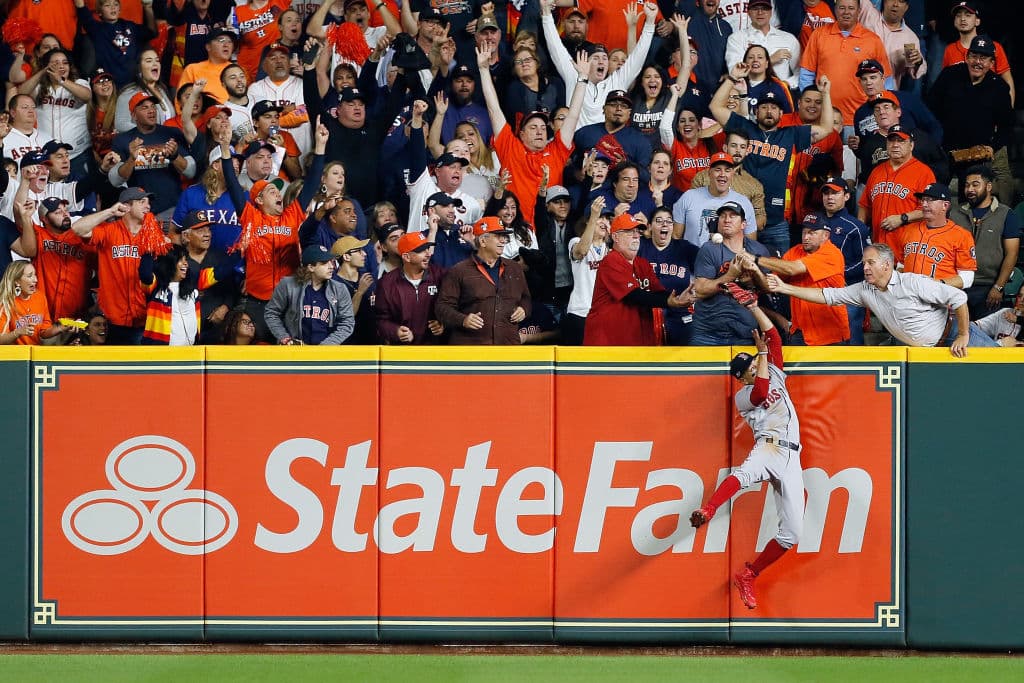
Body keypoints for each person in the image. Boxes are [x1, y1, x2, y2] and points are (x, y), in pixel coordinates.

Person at [689, 295, 804, 611]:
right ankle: (709, 510)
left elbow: (775, 337)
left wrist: (753, 306)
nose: (754, 366)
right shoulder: (743, 397)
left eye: (753, 362)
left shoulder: (773, 368)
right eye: (749, 368)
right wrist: (763, 354)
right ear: (740, 377)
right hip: (768, 446)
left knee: (793, 532)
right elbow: (762, 392)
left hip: (793, 456)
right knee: (742, 475)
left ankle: (748, 574)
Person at [766, 242, 999, 355]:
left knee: (1004, 368)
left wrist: (963, 334)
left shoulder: (912, 282)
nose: (865, 268)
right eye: (864, 263)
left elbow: (958, 297)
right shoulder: (865, 289)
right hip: (926, 352)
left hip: (952, 334)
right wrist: (786, 288)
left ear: (887, 265)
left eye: (870, 263)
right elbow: (828, 295)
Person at [710, 63, 834, 255]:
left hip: (776, 222)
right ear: (756, 111)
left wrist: (825, 95)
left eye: (774, 108)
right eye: (764, 107)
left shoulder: (791, 134)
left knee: (778, 274)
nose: (769, 111)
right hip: (740, 218)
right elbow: (715, 107)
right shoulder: (745, 128)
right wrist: (732, 79)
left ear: (781, 113)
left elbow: (826, 127)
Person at [477, 42, 587, 227]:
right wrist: (483, 70)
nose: (540, 131)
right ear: (521, 133)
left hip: (548, 231)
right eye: (533, 127)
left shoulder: (556, 151)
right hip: (516, 229)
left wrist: (582, 78)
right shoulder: (511, 148)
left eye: (543, 128)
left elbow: (573, 115)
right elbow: (493, 109)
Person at [71, 187, 170, 344]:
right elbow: (77, 229)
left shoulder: (156, 235)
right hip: (111, 320)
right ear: (126, 206)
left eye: (148, 202)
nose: (148, 206)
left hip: (146, 320)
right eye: (142, 202)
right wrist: (110, 212)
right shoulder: (109, 231)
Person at [583, 213, 694, 346]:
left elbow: (658, 292)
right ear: (615, 237)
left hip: (633, 340)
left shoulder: (642, 264)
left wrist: (678, 297)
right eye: (629, 232)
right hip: (607, 341)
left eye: (637, 231)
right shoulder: (610, 261)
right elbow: (633, 295)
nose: (636, 235)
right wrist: (669, 301)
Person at [929, 36, 1014, 205]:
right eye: (974, 56)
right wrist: (936, 142)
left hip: (976, 157)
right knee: (933, 198)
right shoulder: (949, 76)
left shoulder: (999, 88)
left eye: (983, 58)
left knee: (969, 205)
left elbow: (1006, 127)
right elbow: (930, 109)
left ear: (991, 63)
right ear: (967, 57)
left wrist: (992, 146)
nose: (977, 62)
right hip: (945, 151)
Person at [755, 211, 849, 345]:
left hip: (830, 333)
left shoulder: (832, 253)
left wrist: (756, 259)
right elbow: (770, 285)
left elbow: (792, 269)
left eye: (812, 233)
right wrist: (755, 271)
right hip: (800, 332)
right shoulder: (795, 251)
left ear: (826, 236)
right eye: (804, 232)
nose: (806, 237)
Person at [435, 216, 531, 345]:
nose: (503, 241)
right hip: (471, 348)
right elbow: (442, 307)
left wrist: (523, 309)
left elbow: (526, 298)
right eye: (498, 236)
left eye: (504, 237)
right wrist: (463, 320)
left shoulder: (515, 269)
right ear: (483, 241)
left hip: (508, 346)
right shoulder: (459, 271)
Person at [690, 201, 771, 346]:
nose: (727, 220)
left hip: (745, 332)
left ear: (743, 224)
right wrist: (731, 275)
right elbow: (700, 290)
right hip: (708, 332)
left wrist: (756, 272)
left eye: (733, 216)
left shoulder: (758, 251)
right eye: (723, 216)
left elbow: (768, 288)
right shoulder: (709, 249)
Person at [799, 0, 891, 127]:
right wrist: (811, 106)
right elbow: (806, 75)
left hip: (862, 118)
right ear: (835, 10)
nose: (846, 12)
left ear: (859, 11)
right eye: (842, 8)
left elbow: (886, 80)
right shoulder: (818, 35)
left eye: (851, 8)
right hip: (823, 116)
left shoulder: (873, 40)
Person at [109, 92, 197, 219]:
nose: (151, 111)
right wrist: (132, 159)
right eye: (144, 108)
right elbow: (115, 180)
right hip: (138, 211)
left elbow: (191, 171)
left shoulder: (172, 133)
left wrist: (174, 156)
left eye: (153, 107)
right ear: (134, 115)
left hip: (171, 208)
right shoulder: (123, 140)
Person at [950, 165, 1021, 319]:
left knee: (984, 338)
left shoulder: (1006, 214)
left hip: (988, 287)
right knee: (955, 336)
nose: (970, 189)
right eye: (967, 185)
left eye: (976, 184)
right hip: (957, 285)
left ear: (989, 186)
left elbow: (1012, 254)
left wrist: (998, 287)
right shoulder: (955, 213)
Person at [857, 124, 934, 253]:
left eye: (901, 141)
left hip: (908, 248)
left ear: (911, 145)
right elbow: (865, 205)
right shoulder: (877, 171)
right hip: (879, 248)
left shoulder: (924, 173)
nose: (895, 145)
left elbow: (930, 210)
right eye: (891, 140)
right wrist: (860, 231)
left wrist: (902, 218)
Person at [264, 244, 355, 345]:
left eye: (331, 262)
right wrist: (284, 337)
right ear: (311, 267)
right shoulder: (288, 285)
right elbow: (271, 313)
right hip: (294, 352)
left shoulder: (340, 289)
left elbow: (347, 322)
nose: (331, 266)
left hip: (326, 353)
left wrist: (326, 346)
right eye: (324, 263)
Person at [894, 183, 977, 291]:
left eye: (929, 200)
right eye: (923, 200)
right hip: (909, 299)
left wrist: (938, 283)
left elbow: (967, 279)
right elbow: (901, 264)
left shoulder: (962, 236)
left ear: (945, 205)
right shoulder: (908, 230)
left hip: (940, 300)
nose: (924, 204)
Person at [818, 176, 870, 343]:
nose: (830, 197)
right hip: (818, 288)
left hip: (848, 290)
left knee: (850, 336)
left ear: (846, 197)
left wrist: (837, 274)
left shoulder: (856, 226)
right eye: (826, 193)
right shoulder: (814, 222)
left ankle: (858, 369)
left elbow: (865, 262)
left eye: (835, 193)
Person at [638, 206, 700, 345]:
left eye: (669, 221)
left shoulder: (684, 247)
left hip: (679, 311)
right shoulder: (640, 247)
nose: (664, 224)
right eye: (659, 221)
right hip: (646, 312)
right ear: (649, 226)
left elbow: (706, 264)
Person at [374, 230, 447, 345]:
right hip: (402, 353)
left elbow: (454, 308)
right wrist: (396, 331)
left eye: (427, 248)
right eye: (421, 251)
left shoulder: (441, 275)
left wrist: (444, 324)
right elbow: (380, 320)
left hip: (435, 351)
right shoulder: (386, 283)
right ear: (407, 257)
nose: (428, 254)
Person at [691, 129, 768, 233]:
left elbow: (761, 219)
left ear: (747, 151)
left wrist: (734, 228)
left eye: (742, 147)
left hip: (737, 243)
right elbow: (691, 209)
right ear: (725, 148)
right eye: (734, 145)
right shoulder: (702, 177)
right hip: (705, 238)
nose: (738, 150)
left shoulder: (754, 185)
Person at [673, 152, 757, 247]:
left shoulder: (744, 203)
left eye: (727, 170)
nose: (722, 174)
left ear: (732, 174)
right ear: (709, 173)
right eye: (718, 170)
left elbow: (751, 244)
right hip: (692, 259)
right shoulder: (688, 197)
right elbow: (676, 236)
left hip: (728, 261)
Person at [942, 2, 1014, 106]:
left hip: (989, 106)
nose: (962, 19)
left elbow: (1007, 80)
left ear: (977, 21)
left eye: (968, 15)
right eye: (958, 15)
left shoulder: (995, 47)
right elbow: (946, 83)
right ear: (954, 22)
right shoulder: (950, 49)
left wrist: (1008, 111)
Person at [725, 0, 801, 89]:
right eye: (755, 9)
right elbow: (735, 72)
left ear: (771, 12)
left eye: (764, 8)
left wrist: (785, 85)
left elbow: (800, 73)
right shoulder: (736, 38)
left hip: (781, 96)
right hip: (749, 94)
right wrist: (771, 60)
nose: (760, 12)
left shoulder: (788, 38)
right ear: (748, 12)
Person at [0, 260, 69, 344]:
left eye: (35, 275)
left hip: (35, 353)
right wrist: (17, 332)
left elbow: (43, 332)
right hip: (14, 355)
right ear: (17, 281)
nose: (35, 280)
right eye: (29, 276)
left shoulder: (40, 297)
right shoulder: (5, 302)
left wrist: (60, 328)